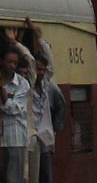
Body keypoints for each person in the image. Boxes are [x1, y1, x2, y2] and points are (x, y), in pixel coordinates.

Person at [31, 52, 65, 183]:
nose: (40, 73)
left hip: (45, 139)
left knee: (45, 175)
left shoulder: (49, 87)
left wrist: (54, 129)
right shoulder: (27, 86)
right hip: (30, 140)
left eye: (42, 70)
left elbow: (61, 106)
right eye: (37, 69)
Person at [0, 46, 30, 183]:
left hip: (16, 137)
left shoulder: (22, 84)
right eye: (9, 62)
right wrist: (8, 98)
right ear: (1, 62)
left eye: (14, 63)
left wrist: (5, 98)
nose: (12, 65)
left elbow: (15, 109)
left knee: (14, 178)